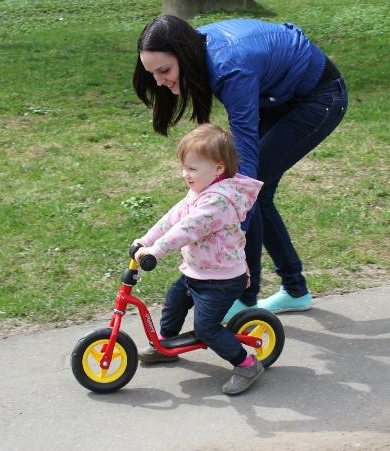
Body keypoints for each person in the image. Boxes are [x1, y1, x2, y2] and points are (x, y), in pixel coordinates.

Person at [133, 15, 348, 321]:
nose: (159, 82)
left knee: (246, 190)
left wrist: (224, 225)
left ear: (184, 54)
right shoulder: (197, 49)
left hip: (319, 98)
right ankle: (294, 291)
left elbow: (243, 164)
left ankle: (245, 297)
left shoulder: (231, 67)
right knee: (252, 193)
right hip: (278, 96)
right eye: (152, 73)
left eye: (164, 71)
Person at [133, 124, 264, 395]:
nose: (185, 174)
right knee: (174, 302)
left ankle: (246, 363)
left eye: (192, 169)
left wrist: (156, 251)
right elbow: (173, 217)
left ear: (218, 168)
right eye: (184, 167)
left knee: (206, 328)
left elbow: (187, 229)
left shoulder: (217, 203)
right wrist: (146, 240)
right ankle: (166, 346)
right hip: (197, 271)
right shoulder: (199, 192)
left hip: (222, 279)